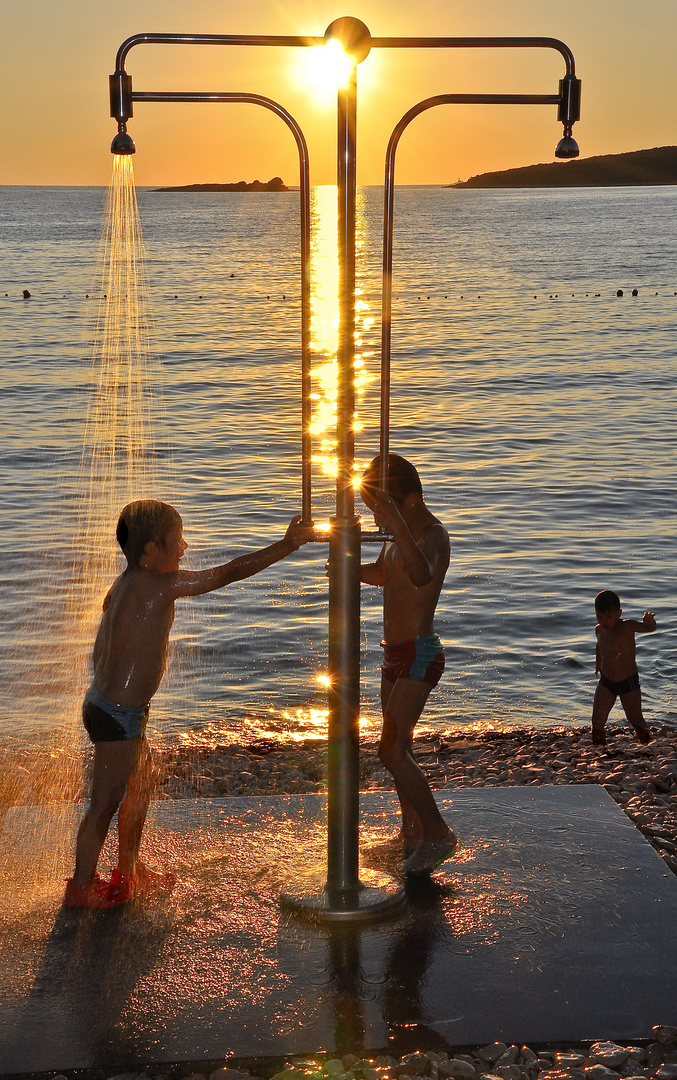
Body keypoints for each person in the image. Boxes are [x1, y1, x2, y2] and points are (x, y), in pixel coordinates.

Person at [65, 499, 313, 908]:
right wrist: (285, 546)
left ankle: (130, 870)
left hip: (113, 707)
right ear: (150, 550)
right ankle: (80, 886)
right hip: (116, 714)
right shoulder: (162, 584)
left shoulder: (122, 583)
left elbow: (106, 636)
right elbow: (229, 573)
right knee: (104, 804)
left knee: (140, 788)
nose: (184, 547)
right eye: (176, 541)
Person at [359, 453, 457, 875]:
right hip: (394, 655)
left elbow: (421, 574)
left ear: (411, 500)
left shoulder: (432, 534)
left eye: (383, 510)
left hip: (420, 653)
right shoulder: (394, 538)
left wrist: (397, 530)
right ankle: (411, 831)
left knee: (391, 750)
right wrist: (346, 567)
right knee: (401, 749)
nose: (380, 521)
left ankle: (439, 834)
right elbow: (383, 575)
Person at [591, 589, 656, 746]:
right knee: (597, 719)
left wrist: (649, 621)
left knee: (635, 718)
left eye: (608, 617)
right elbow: (599, 647)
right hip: (606, 681)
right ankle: (599, 750)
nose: (604, 620)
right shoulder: (599, 629)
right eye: (600, 616)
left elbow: (649, 629)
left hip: (628, 681)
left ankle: (649, 745)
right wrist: (598, 664)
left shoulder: (627, 626)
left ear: (619, 613)